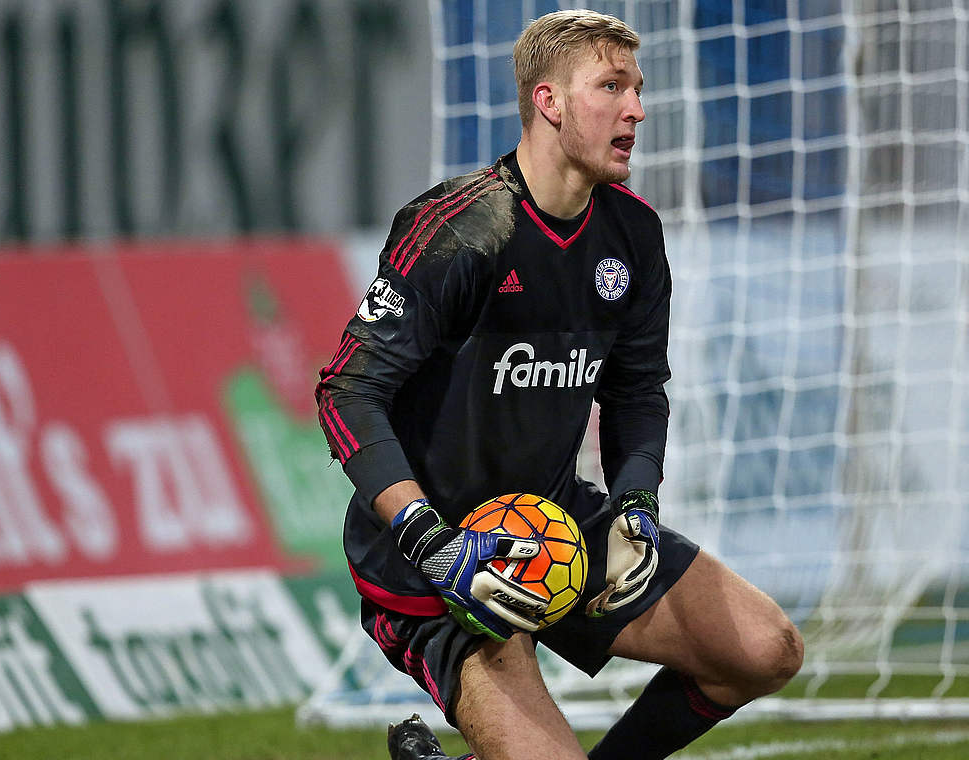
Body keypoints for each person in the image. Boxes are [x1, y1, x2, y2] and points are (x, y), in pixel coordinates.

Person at [315, 9, 803, 760]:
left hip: (554, 530)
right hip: (435, 564)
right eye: (611, 86)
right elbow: (346, 390)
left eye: (638, 89)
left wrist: (635, 500)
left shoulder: (633, 235)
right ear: (550, 102)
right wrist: (428, 539)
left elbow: (637, 390)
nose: (637, 108)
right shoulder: (460, 229)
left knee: (767, 649)